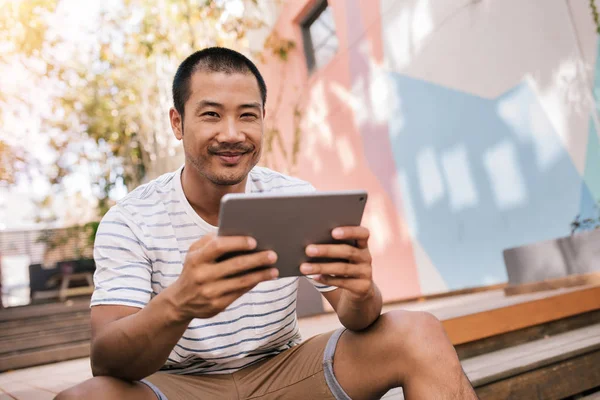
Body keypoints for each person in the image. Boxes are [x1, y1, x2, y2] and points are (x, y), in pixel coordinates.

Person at [56, 47, 478, 400]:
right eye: (210, 115)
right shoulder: (130, 221)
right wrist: (179, 303)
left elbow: (359, 318)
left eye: (247, 115)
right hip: (180, 386)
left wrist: (362, 290)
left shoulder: (292, 196)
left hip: (285, 372)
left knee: (419, 331)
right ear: (177, 123)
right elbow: (106, 359)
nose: (232, 133)